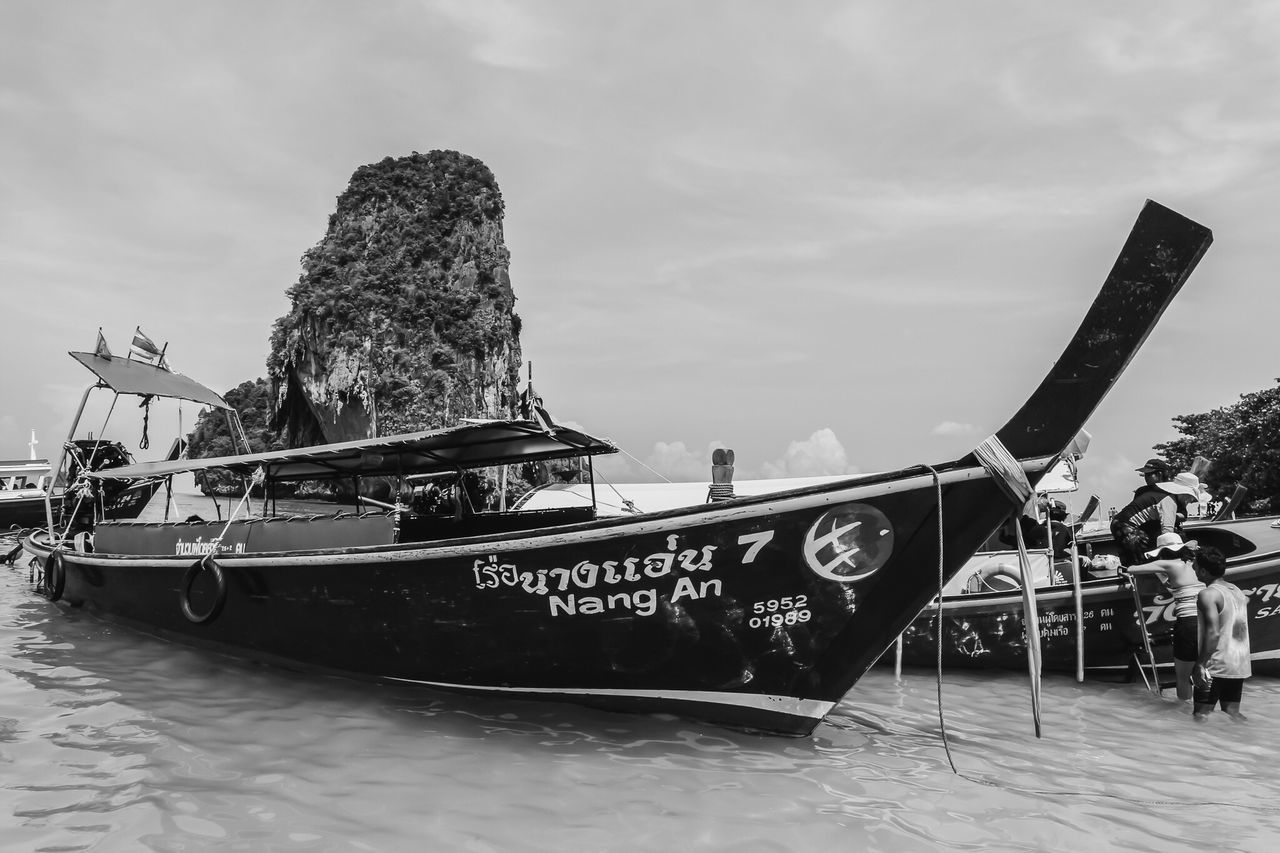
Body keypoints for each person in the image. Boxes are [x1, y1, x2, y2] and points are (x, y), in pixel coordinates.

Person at [1124, 532, 1203, 700]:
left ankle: (1184, 713)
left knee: (1183, 677)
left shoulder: (1167, 565)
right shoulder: (1199, 565)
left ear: (1163, 552)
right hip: (1209, 621)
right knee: (1204, 671)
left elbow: (1132, 569)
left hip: (1188, 623)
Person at [1193, 546, 1251, 718]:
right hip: (1238, 664)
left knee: (1201, 717)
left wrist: (1200, 664)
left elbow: (1213, 633)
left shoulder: (1208, 594)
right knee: (1233, 714)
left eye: (1195, 565)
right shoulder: (1236, 591)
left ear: (1203, 571)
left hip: (1216, 665)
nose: (1192, 568)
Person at [1109, 470, 1203, 566]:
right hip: (1125, 526)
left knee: (1131, 557)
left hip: (1118, 523)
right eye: (1191, 497)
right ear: (1183, 493)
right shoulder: (1169, 501)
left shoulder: (1164, 496)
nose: (1191, 501)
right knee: (1144, 557)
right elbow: (1167, 532)